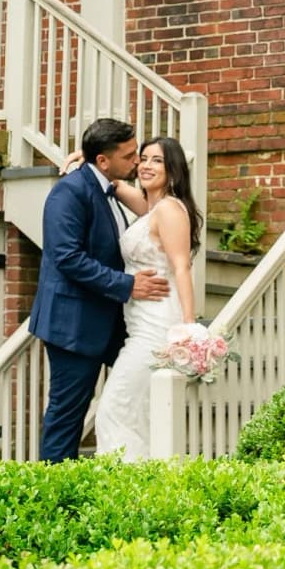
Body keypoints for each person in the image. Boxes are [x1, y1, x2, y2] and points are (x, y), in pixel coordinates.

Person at [27, 117, 170, 462]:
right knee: (68, 413)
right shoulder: (69, 191)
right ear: (104, 161)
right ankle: (54, 491)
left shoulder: (108, 185)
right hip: (73, 324)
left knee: (133, 395)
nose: (136, 161)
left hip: (111, 321)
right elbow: (66, 257)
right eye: (129, 155)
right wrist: (128, 285)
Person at [83, 134, 202, 460]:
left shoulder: (169, 210)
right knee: (136, 412)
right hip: (140, 323)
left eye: (157, 160)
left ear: (173, 169)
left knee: (114, 407)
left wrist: (188, 328)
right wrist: (87, 161)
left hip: (157, 325)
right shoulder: (152, 208)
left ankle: (125, 482)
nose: (147, 165)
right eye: (144, 158)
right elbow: (120, 187)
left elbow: (181, 267)